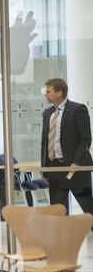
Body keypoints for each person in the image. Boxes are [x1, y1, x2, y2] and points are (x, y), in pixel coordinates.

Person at [41, 78, 93, 226]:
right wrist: (45, 169)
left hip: (75, 168)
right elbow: (45, 143)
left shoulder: (78, 109)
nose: (46, 94)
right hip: (54, 168)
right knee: (58, 212)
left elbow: (85, 140)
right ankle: (61, 243)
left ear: (59, 92)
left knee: (88, 207)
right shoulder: (47, 113)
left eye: (49, 91)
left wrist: (75, 163)